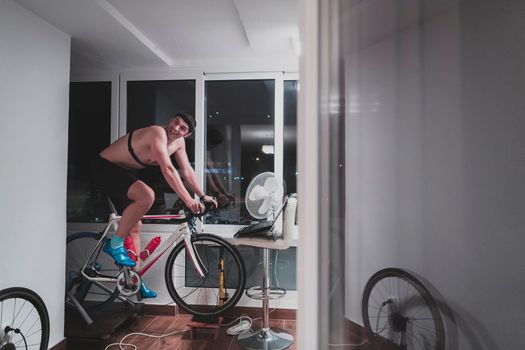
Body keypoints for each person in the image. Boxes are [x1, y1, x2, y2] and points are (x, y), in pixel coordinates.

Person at [91, 111, 217, 298]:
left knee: (136, 226)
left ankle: (134, 280)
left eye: (182, 128)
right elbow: (168, 169)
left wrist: (202, 195)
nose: (176, 128)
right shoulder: (157, 132)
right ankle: (114, 244)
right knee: (147, 196)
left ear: (186, 134)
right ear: (171, 119)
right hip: (104, 167)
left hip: (124, 172)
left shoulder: (179, 143)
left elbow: (186, 171)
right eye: (176, 122)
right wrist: (189, 201)